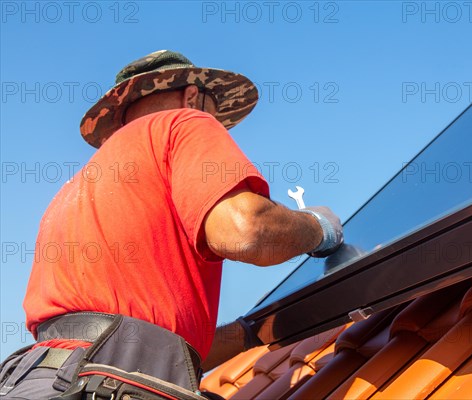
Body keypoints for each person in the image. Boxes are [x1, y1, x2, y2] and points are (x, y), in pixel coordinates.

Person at [0, 50, 343, 399]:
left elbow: (149, 346)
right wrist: (318, 228)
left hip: (41, 379)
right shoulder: (183, 123)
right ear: (192, 97)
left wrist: (249, 332)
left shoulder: (76, 190)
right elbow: (246, 232)